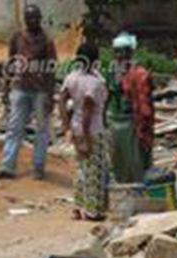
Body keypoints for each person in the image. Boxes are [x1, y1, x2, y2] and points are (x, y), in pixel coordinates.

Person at [0, 4, 57, 182]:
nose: (33, 21)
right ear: (25, 20)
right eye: (30, 18)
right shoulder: (17, 37)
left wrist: (50, 96)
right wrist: (6, 87)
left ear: (40, 18)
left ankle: (38, 166)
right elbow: (11, 62)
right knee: (14, 127)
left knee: (42, 130)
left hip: (40, 91)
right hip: (20, 88)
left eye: (36, 17)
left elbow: (51, 70)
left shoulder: (47, 40)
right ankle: (7, 166)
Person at [59, 42, 109, 221]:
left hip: (76, 127)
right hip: (92, 130)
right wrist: (86, 140)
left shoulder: (71, 78)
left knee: (81, 169)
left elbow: (61, 102)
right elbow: (88, 111)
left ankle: (78, 208)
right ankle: (92, 211)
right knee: (94, 171)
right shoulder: (94, 83)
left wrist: (67, 128)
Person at [107, 32, 154, 184]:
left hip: (132, 122)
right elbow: (108, 93)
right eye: (116, 52)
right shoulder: (112, 71)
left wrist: (143, 126)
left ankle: (137, 188)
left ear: (130, 52)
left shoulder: (139, 73)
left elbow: (144, 104)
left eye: (122, 52)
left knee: (135, 161)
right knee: (119, 159)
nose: (119, 56)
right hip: (115, 120)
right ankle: (123, 186)